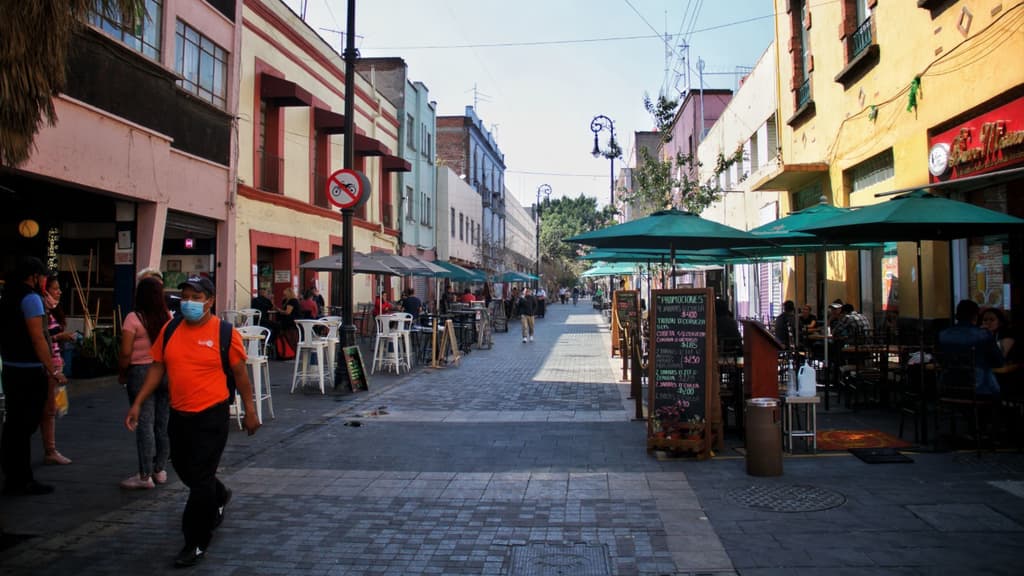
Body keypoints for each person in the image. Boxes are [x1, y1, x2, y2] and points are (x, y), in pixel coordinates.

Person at [125, 275, 259, 568]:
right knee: (186, 470)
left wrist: (250, 411)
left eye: (196, 298)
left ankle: (195, 541)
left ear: (210, 301)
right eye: (185, 297)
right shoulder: (171, 329)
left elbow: (240, 375)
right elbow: (157, 367)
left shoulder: (225, 333)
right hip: (180, 415)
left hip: (212, 416)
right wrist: (138, 402)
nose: (189, 303)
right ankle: (219, 493)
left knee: (199, 482)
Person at [1, 256, 67, 495]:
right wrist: (53, 369)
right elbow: (38, 338)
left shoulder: (8, 296)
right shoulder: (31, 299)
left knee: (14, 424)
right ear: (34, 277)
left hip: (10, 366)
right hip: (29, 369)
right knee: (25, 424)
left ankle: (14, 474)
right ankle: (21, 478)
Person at [118, 276, 171, 490]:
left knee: (145, 423)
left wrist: (122, 372)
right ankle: (160, 469)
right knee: (162, 423)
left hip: (140, 372)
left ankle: (144, 474)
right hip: (164, 370)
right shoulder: (166, 317)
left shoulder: (133, 318)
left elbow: (125, 352)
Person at [40, 273, 74, 466]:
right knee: (49, 409)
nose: (59, 292)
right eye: (55, 288)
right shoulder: (42, 311)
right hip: (49, 363)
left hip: (55, 361)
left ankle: (50, 448)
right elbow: (42, 338)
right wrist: (60, 337)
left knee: (50, 408)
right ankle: (50, 450)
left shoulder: (51, 310)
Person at [938, 299, 1004, 397]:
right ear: (975, 316)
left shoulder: (942, 335)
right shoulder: (984, 335)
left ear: (956, 316)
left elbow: (939, 360)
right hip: (979, 390)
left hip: (947, 388)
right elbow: (999, 362)